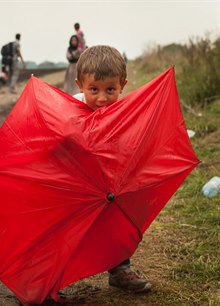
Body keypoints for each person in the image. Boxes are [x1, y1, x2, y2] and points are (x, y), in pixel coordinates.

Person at [73, 45, 152, 293]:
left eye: (110, 90)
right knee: (73, 231)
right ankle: (53, 276)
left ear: (123, 85)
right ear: (80, 85)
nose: (102, 98)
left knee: (116, 226)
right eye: (93, 90)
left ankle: (120, 269)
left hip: (111, 185)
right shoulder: (70, 112)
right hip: (78, 185)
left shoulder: (125, 113)